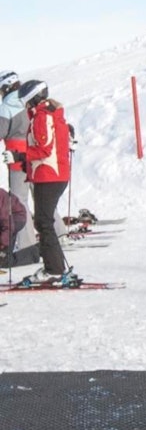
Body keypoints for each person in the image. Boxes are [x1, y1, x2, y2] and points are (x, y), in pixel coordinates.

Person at [2, 80, 73, 284]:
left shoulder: (42, 117)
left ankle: (54, 270)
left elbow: (44, 149)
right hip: (50, 174)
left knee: (43, 222)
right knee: (44, 221)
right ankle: (55, 266)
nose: (23, 104)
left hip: (48, 174)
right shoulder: (47, 114)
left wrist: (18, 157)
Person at [0, 70, 39, 255]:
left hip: (16, 156)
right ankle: (59, 233)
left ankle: (26, 244)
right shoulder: (26, 99)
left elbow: (1, 131)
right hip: (34, 153)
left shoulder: (7, 105)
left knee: (19, 201)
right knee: (39, 197)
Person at [0, 188, 38, 267]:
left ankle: (34, 253)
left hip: (15, 218)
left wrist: (2, 244)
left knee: (3, 261)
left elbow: (8, 225)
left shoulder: (1, 198)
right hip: (4, 223)